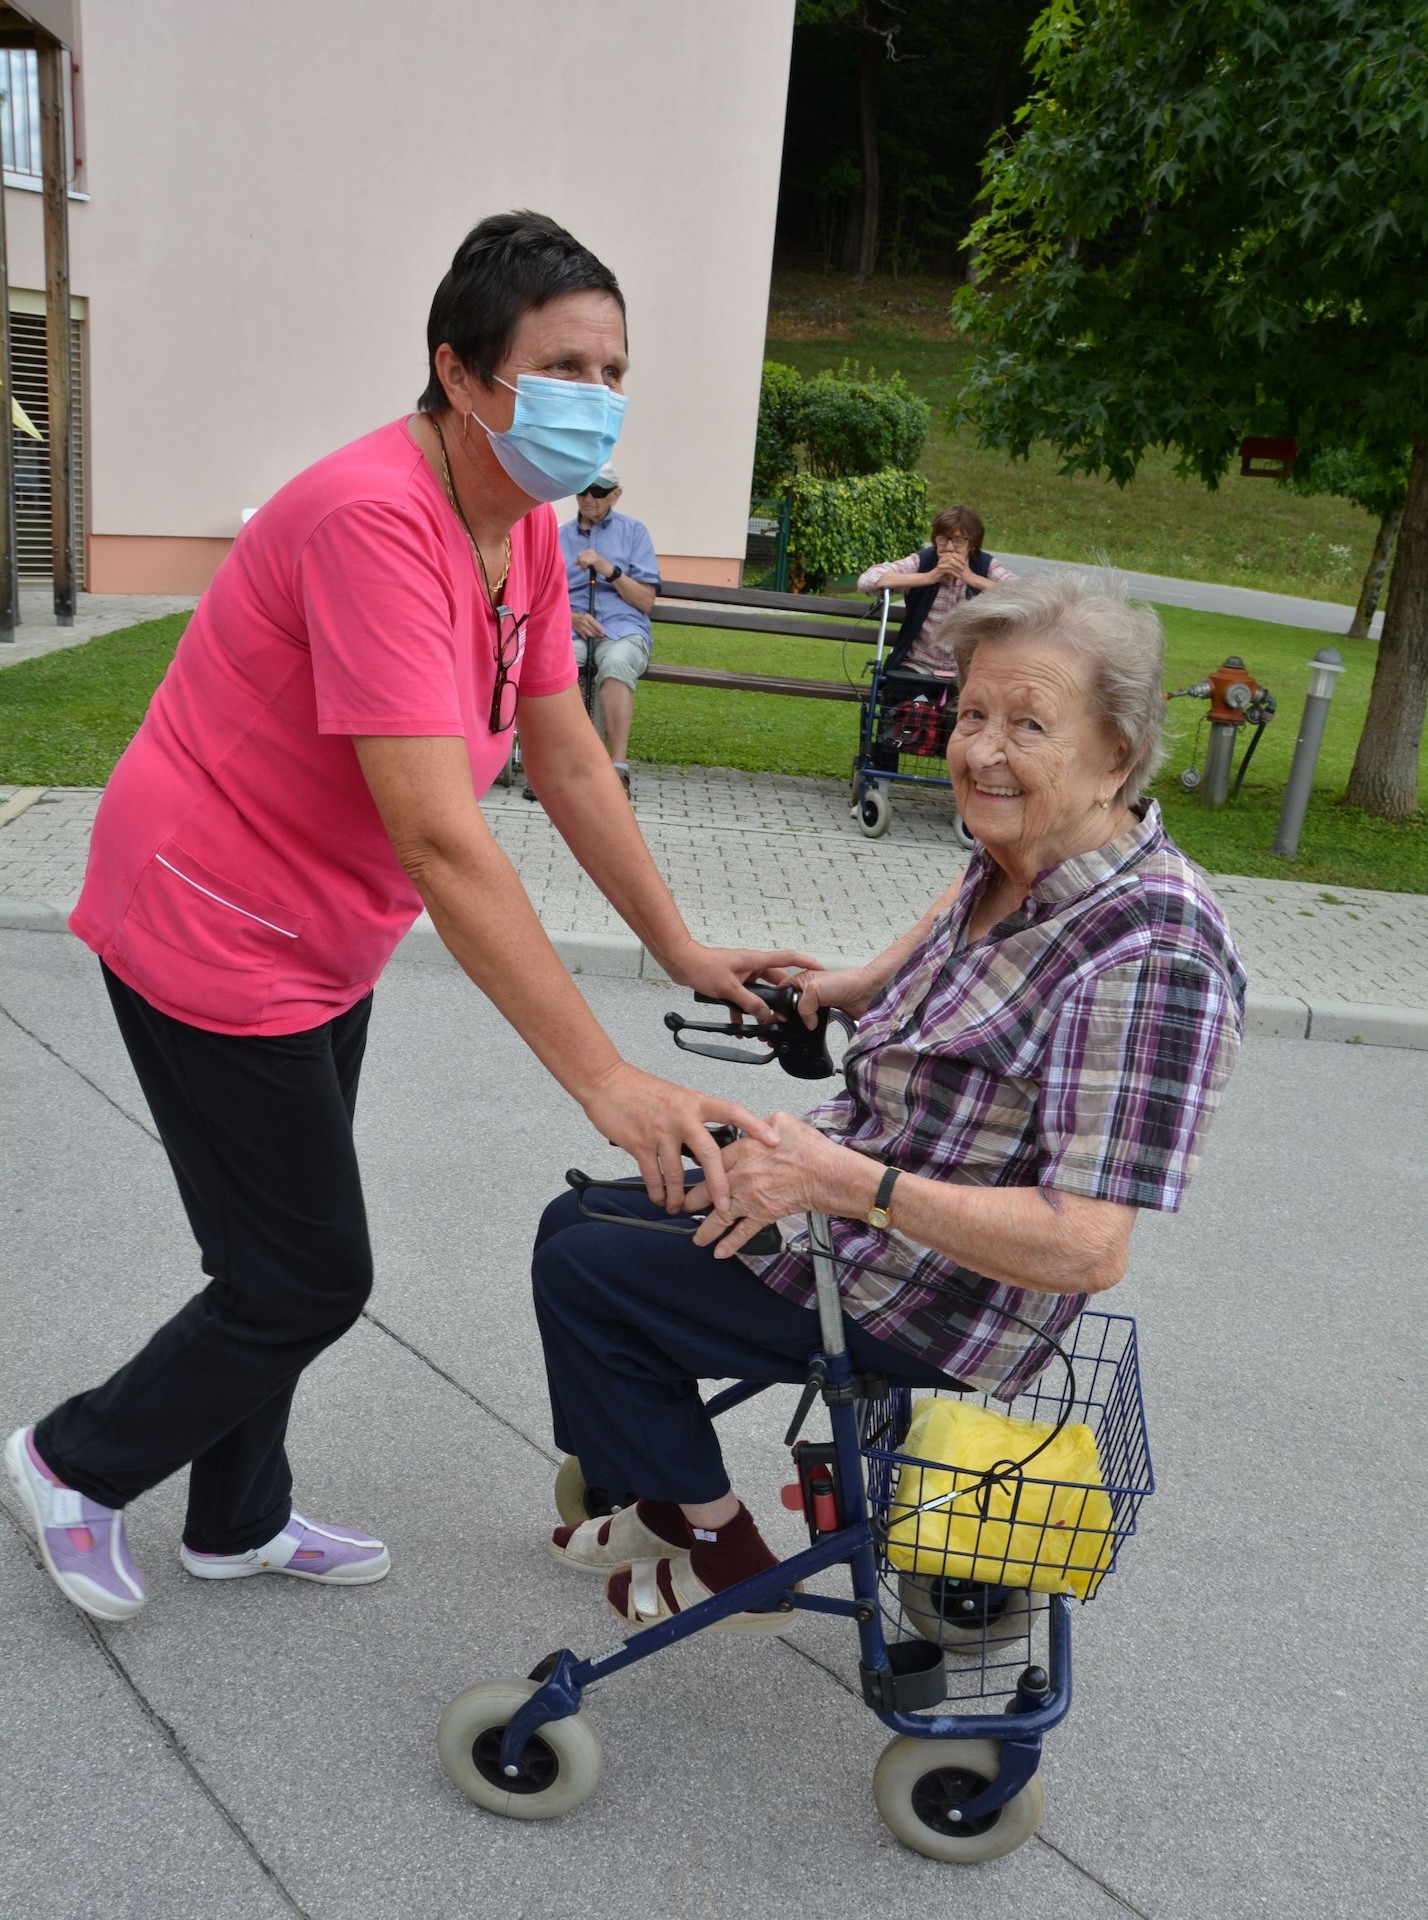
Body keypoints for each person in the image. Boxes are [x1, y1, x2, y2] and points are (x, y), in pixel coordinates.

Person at [3, 211, 813, 1627]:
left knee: (268, 1254)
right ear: (461, 372)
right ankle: (71, 1460)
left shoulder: (524, 530)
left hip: (322, 932)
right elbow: (442, 835)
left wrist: (680, 949)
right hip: (211, 923)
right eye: (565, 365)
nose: (599, 397)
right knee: (310, 1273)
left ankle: (237, 1519)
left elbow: (563, 754)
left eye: (615, 368)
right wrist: (606, 1080)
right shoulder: (378, 518)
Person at [533, 571, 1245, 1632]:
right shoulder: (1025, 843)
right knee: (579, 1216)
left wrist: (845, 1182)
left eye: (1028, 724)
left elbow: (1088, 1247)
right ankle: (663, 1486)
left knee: (589, 1275)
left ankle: (713, 1541)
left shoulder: (1154, 955)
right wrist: (856, 984)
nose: (979, 750)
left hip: (940, 1290)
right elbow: (953, 907)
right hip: (861, 1190)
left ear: (1120, 757)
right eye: (972, 714)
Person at [554, 464, 659, 796]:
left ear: (615, 494)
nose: (588, 498)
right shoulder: (559, 536)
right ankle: (559, 766)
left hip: (622, 629)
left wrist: (608, 569)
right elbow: (539, 596)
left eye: (598, 492)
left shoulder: (634, 533)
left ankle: (617, 768)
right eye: (582, 489)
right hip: (572, 631)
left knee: (615, 665)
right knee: (559, 667)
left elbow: (645, 600)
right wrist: (570, 618)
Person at [858, 504, 1013, 680]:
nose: (948, 547)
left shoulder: (985, 566)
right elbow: (867, 580)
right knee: (902, 696)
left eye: (958, 541)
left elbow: (1029, 594)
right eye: (942, 539)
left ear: (972, 545)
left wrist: (972, 579)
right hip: (918, 667)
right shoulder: (923, 561)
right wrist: (929, 577)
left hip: (970, 673)